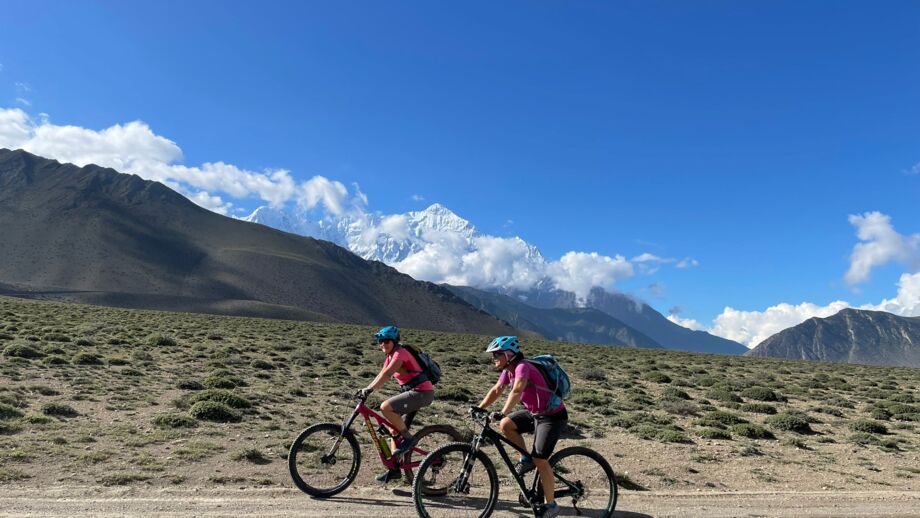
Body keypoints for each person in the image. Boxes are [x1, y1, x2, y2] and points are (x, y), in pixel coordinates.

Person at [475, 336, 567, 518]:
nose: (494, 358)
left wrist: (502, 411)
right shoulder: (508, 370)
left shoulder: (522, 367)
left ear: (509, 354)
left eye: (497, 354)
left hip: (552, 416)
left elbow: (517, 390)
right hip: (535, 413)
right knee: (506, 424)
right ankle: (526, 459)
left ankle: (552, 505)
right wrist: (479, 407)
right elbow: (496, 390)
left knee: (541, 460)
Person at [360, 325, 435, 483]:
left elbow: (387, 374)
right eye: (380, 341)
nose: (382, 344)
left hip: (422, 392)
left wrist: (369, 390)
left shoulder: (400, 353)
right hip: (414, 392)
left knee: (385, 407)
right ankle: (394, 469)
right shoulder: (390, 355)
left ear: (394, 341)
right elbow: (382, 373)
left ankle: (408, 439)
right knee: (392, 428)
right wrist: (366, 389)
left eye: (386, 341)